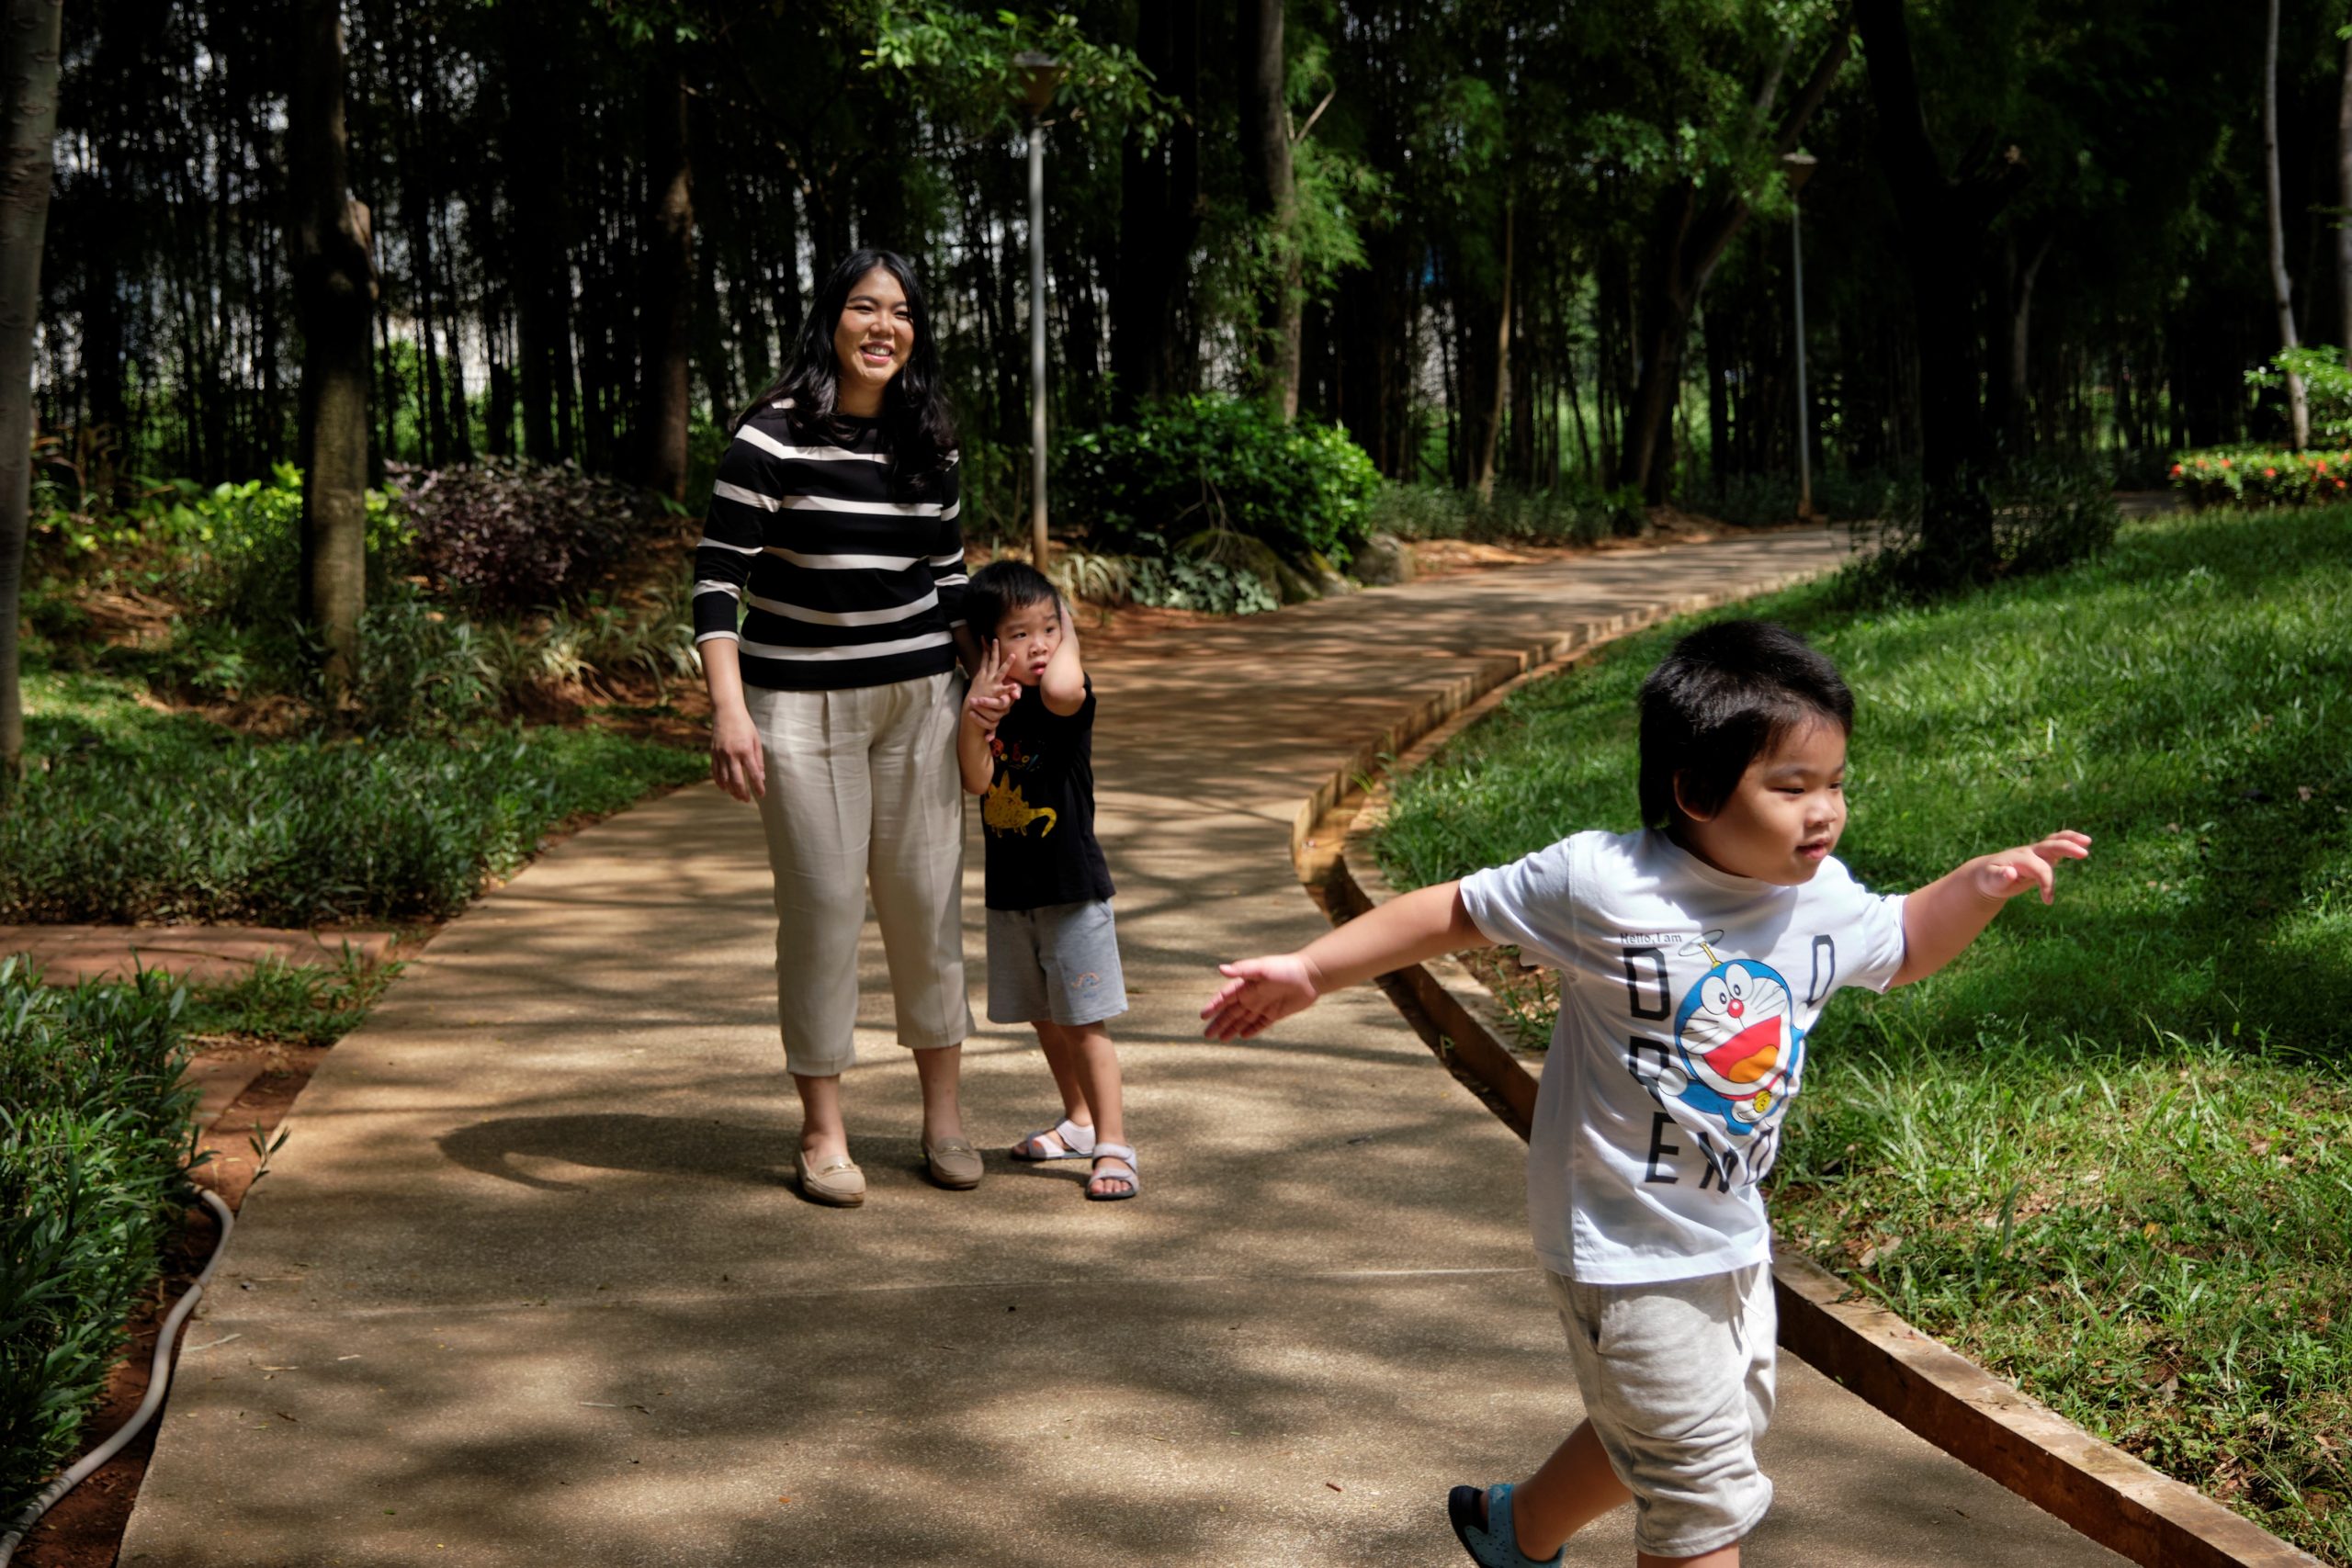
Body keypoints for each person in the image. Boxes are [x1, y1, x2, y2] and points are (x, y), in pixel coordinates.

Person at [1202, 619, 2089, 1568]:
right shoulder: (1607, 884)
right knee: (1704, 1495)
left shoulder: (1819, 897)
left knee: (1699, 1430)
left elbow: (1906, 942)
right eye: (1789, 787)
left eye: (1833, 783)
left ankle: (1515, 1529)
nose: (1822, 812)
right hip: (1620, 1243)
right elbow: (1456, 910)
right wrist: (1311, 969)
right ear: (1696, 790)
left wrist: (1977, 887)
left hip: (1728, 1231)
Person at [695, 248, 984, 1208]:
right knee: (821, 915)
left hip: (918, 704)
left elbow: (947, 579)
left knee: (924, 905)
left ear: (915, 333)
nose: (882, 327)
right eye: (864, 307)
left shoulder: (928, 441)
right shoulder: (768, 439)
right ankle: (823, 1131)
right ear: (830, 321)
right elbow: (716, 584)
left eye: (900, 312)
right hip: (798, 708)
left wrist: (980, 683)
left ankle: (942, 1118)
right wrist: (728, 709)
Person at [956, 560, 1138, 1201]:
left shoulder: (1065, 698)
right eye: (1018, 632)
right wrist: (978, 713)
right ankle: (1080, 1121)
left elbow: (1062, 688)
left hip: (1072, 889)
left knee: (1085, 1020)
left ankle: (1115, 1143)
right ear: (986, 645)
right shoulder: (986, 705)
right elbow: (977, 780)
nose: (1038, 644)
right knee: (1044, 1017)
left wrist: (1067, 631)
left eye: (1048, 628)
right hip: (1013, 894)